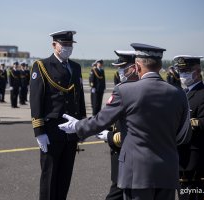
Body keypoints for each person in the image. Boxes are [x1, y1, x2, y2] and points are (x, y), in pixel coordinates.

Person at [59, 43, 191, 200]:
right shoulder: (179, 93)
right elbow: (183, 135)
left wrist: (76, 125)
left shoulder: (126, 91)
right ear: (160, 65)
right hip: (168, 173)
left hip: (137, 174)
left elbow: (100, 120)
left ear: (137, 66)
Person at [30, 30, 86, 200]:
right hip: (51, 131)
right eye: (64, 44)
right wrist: (39, 131)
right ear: (54, 45)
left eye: (70, 45)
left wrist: (82, 126)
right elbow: (36, 99)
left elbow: (79, 98)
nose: (68, 48)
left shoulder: (75, 67)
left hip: (71, 132)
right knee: (49, 177)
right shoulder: (42, 65)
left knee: (64, 177)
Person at [96, 50, 138, 200]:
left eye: (123, 68)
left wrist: (110, 136)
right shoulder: (122, 89)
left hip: (130, 157)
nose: (119, 71)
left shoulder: (137, 91)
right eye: (118, 68)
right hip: (119, 154)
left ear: (134, 67)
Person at [174, 55, 204, 200]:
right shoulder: (183, 93)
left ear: (197, 72)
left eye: (186, 71)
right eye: (181, 71)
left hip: (194, 161)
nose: (182, 74)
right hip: (180, 159)